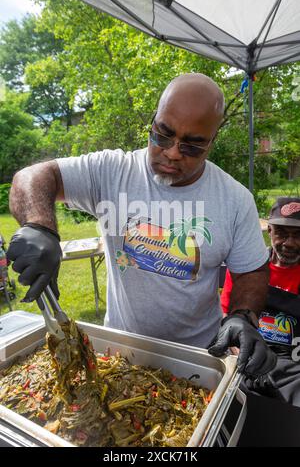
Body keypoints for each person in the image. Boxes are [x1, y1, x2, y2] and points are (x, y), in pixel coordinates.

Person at [7, 73, 276, 378]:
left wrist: (242, 315)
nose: (173, 152)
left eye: (192, 146)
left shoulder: (234, 199)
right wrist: (40, 227)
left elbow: (251, 270)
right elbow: (31, 177)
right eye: (163, 135)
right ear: (152, 122)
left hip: (199, 359)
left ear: (212, 142)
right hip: (121, 355)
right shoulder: (113, 171)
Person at [221, 197, 300, 405]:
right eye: (282, 233)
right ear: (270, 231)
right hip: (247, 364)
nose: (290, 243)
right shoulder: (248, 269)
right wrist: (235, 347)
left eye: (298, 235)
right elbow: (224, 314)